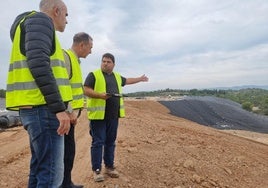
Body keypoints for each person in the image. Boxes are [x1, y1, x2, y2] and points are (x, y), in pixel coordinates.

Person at [6, 0, 72, 187]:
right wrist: (59, 109)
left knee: (40, 169)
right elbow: (38, 63)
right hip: (44, 110)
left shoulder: (28, 25)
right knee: (51, 176)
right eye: (66, 15)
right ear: (56, 10)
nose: (67, 20)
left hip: (34, 109)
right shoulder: (41, 21)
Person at [83, 53, 149, 182]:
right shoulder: (93, 75)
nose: (105, 63)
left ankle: (109, 167)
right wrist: (99, 95)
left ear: (113, 64)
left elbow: (127, 80)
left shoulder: (117, 77)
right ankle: (96, 170)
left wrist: (140, 79)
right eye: (103, 61)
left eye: (108, 62)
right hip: (98, 117)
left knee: (110, 142)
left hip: (113, 116)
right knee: (98, 142)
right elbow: (86, 90)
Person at [61, 32, 93, 188]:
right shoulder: (66, 57)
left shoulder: (75, 61)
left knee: (68, 152)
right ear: (82, 45)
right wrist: (68, 111)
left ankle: (66, 182)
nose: (91, 51)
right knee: (65, 153)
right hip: (66, 116)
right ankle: (63, 184)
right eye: (90, 47)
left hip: (70, 117)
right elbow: (61, 85)